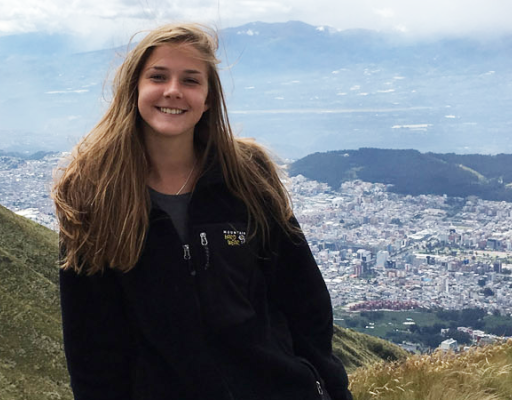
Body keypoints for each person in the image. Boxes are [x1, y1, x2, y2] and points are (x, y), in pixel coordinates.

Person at [52, 22, 352, 400]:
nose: (173, 91)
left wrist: (323, 383)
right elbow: (91, 346)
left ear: (209, 98)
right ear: (135, 89)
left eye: (191, 80)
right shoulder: (95, 195)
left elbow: (304, 297)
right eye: (158, 77)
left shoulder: (246, 176)